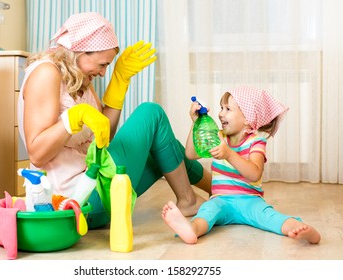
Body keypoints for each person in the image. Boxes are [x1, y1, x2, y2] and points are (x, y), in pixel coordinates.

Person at [18, 12, 211, 229]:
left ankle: (224, 189)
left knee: (166, 147)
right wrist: (70, 119)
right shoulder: (46, 73)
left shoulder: (80, 79)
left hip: (95, 181)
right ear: (79, 51)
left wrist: (119, 82)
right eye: (102, 65)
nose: (102, 73)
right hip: (75, 202)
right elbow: (36, 153)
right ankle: (189, 201)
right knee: (151, 113)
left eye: (107, 67)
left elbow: (104, 138)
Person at [162, 85, 321, 244]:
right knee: (206, 211)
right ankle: (192, 230)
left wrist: (229, 154)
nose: (220, 113)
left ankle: (301, 228)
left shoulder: (256, 142)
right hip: (220, 199)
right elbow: (190, 154)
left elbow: (254, 173)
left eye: (228, 109)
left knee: (269, 217)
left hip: (250, 200)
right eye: (221, 108)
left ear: (247, 118)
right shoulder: (218, 136)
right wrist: (196, 123)